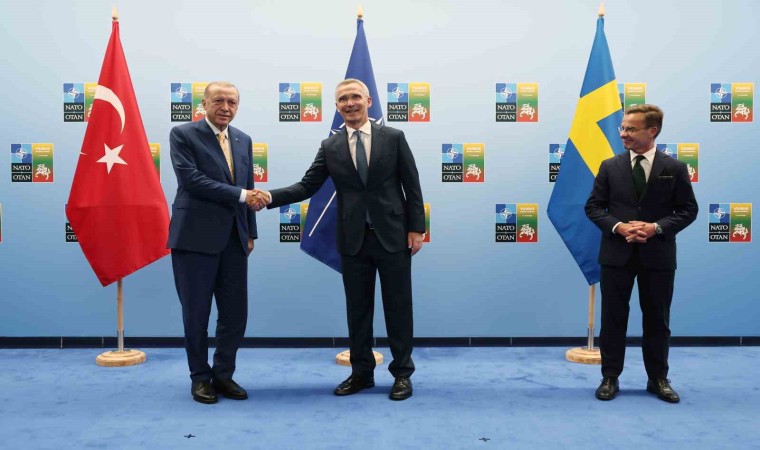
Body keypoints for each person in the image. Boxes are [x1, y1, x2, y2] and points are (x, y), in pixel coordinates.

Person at [253, 79, 425, 401]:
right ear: (336, 106)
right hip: (352, 240)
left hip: (393, 237)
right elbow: (307, 186)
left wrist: (417, 229)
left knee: (399, 308)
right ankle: (361, 374)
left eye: (355, 97)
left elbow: (411, 186)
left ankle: (402, 374)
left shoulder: (394, 137)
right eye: (343, 99)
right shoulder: (330, 146)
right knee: (357, 311)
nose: (350, 103)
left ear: (368, 101)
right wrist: (269, 197)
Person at [585, 104, 698, 403]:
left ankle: (658, 378)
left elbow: (688, 210)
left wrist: (656, 228)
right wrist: (619, 226)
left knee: (657, 320)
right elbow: (593, 207)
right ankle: (610, 377)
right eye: (622, 128)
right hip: (616, 255)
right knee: (613, 319)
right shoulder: (609, 166)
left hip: (657, 256)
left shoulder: (674, 168)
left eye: (631, 129)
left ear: (652, 131)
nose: (623, 134)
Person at [168, 81, 259, 404]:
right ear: (204, 104)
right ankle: (199, 378)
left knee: (235, 314)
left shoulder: (243, 139)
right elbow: (191, 180)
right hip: (194, 238)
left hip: (235, 240)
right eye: (218, 100)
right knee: (196, 314)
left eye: (232, 102)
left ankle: (223, 375)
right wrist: (242, 195)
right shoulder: (183, 134)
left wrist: (250, 232)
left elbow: (248, 185)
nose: (225, 107)